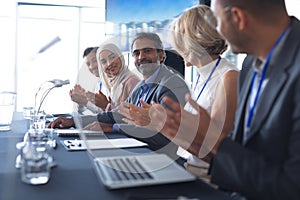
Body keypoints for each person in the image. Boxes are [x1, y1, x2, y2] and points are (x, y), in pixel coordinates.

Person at [146, 0, 300, 199]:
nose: (216, 31)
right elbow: (243, 153)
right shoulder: (251, 64)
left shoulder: (233, 74)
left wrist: (211, 141)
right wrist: (179, 130)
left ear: (238, 18)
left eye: (216, 21)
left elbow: (292, 187)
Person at [119, 5, 239, 183]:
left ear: (193, 41)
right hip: (188, 167)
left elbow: (215, 152)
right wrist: (160, 124)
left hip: (208, 178)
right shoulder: (201, 77)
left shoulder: (228, 77)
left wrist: (163, 126)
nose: (176, 49)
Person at [49, 32, 190, 154]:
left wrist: (112, 127)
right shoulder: (142, 85)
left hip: (160, 157)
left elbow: (163, 135)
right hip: (138, 151)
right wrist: (75, 121)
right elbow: (116, 114)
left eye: (147, 51)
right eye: (136, 53)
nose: (141, 57)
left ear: (161, 55)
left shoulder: (172, 84)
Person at [95, 43, 140, 111]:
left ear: (120, 57)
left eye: (112, 57)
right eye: (104, 62)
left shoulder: (132, 81)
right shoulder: (109, 83)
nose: (109, 63)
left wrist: (107, 106)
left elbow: (134, 115)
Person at [70, 47, 106, 114]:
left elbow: (108, 113)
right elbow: (97, 111)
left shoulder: (113, 84)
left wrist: (85, 102)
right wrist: (80, 102)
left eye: (95, 60)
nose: (91, 66)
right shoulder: (98, 84)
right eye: (88, 64)